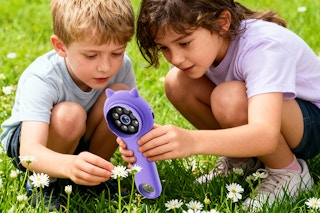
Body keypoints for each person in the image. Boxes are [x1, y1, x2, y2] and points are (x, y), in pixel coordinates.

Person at [118, 0, 320, 210]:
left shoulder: (263, 46)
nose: (176, 58)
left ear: (222, 21)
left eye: (184, 43)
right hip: (276, 120)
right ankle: (243, 160)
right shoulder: (208, 47)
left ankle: (288, 172)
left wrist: (192, 141)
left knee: (229, 98)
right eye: (164, 48)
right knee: (177, 83)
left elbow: (266, 135)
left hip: (311, 123)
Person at [0, 0, 135, 210]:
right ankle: (42, 185)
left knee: (120, 99)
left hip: (82, 136)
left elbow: (131, 122)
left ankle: (94, 176)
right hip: (37, 145)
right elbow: (29, 151)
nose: (105, 67)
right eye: (91, 55)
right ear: (61, 47)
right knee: (69, 115)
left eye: (116, 53)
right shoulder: (43, 78)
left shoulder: (123, 66)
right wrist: (68, 165)